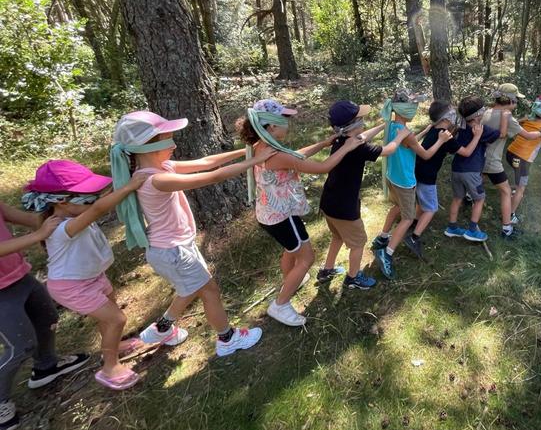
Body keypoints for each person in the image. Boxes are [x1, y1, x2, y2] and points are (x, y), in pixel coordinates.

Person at [111, 110, 274, 356]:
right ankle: (227, 339)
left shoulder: (162, 166)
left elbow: (207, 162)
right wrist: (253, 161)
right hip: (172, 251)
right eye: (168, 139)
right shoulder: (156, 179)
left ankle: (163, 328)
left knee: (191, 287)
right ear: (148, 147)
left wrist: (245, 151)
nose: (174, 144)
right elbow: (212, 176)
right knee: (209, 291)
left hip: (175, 248)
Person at [21, 161, 148, 390]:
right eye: (88, 197)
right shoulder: (61, 228)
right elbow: (99, 208)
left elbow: (97, 203)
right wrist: (128, 187)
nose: (94, 201)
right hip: (72, 286)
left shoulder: (71, 214)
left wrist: (124, 177)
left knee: (109, 315)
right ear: (61, 201)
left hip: (92, 276)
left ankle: (115, 345)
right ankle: (110, 368)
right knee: (116, 319)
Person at [236, 99, 362, 325]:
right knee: (307, 257)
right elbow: (322, 168)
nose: (288, 124)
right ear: (272, 126)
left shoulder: (263, 145)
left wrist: (323, 144)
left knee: (291, 249)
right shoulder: (275, 154)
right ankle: (281, 304)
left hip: (271, 213)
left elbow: (295, 154)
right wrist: (346, 147)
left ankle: (291, 279)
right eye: (284, 120)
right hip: (281, 216)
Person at [1, 202, 89, 430]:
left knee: (47, 317)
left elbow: (27, 219)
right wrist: (40, 235)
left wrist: (69, 215)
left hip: (19, 276)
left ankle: (46, 366)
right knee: (20, 347)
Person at [318, 100, 410, 290]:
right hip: (345, 207)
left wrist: (383, 125)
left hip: (329, 201)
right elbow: (389, 150)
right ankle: (353, 278)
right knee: (358, 243)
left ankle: (327, 269)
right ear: (353, 125)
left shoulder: (341, 140)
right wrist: (400, 136)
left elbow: (362, 136)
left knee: (337, 236)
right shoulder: (359, 149)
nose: (363, 121)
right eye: (360, 118)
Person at [371, 90, 453, 279]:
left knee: (397, 207)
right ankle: (387, 253)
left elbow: (409, 140)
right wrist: (440, 140)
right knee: (407, 218)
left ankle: (383, 236)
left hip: (392, 176)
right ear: (405, 110)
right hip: (405, 182)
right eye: (413, 107)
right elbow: (425, 154)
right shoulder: (405, 134)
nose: (416, 110)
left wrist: (425, 130)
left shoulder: (393, 125)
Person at [404, 101, 484, 257]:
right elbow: (466, 152)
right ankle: (414, 238)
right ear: (446, 117)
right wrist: (477, 136)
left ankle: (414, 223)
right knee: (431, 208)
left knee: (422, 201)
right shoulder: (446, 138)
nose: (455, 114)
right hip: (427, 176)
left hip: (417, 171)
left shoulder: (434, 130)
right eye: (451, 112)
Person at [481, 83, 541, 239]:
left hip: (479, 157)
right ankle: (507, 229)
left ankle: (470, 197)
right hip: (492, 162)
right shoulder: (508, 118)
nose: (517, 103)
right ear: (510, 100)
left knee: (481, 178)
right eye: (516, 100)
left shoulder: (487, 112)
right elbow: (528, 135)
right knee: (506, 192)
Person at [445, 96, 501, 242]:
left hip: (456, 169)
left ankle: (452, 227)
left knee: (457, 198)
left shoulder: (460, 128)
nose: (485, 110)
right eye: (482, 109)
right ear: (477, 115)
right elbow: (500, 134)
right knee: (479, 199)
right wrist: (506, 118)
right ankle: (472, 230)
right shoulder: (481, 130)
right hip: (471, 171)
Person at [505, 95, 541, 216]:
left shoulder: (528, 120)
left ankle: (512, 191)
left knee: (517, 175)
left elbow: (517, 122)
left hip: (510, 153)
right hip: (522, 160)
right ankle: (510, 214)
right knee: (521, 189)